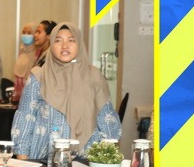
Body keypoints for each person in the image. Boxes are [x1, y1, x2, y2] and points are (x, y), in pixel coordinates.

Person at [11, 22, 121, 159]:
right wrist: (25, 164)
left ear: (79, 44)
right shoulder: (38, 78)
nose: (64, 46)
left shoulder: (94, 78)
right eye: (58, 41)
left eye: (71, 40)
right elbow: (25, 119)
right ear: (51, 44)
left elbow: (106, 118)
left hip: (87, 160)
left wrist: (106, 161)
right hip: (45, 160)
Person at [12, 22, 39, 102]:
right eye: (24, 32)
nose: (25, 35)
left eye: (29, 33)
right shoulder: (22, 52)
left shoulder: (38, 52)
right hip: (20, 93)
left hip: (31, 94)